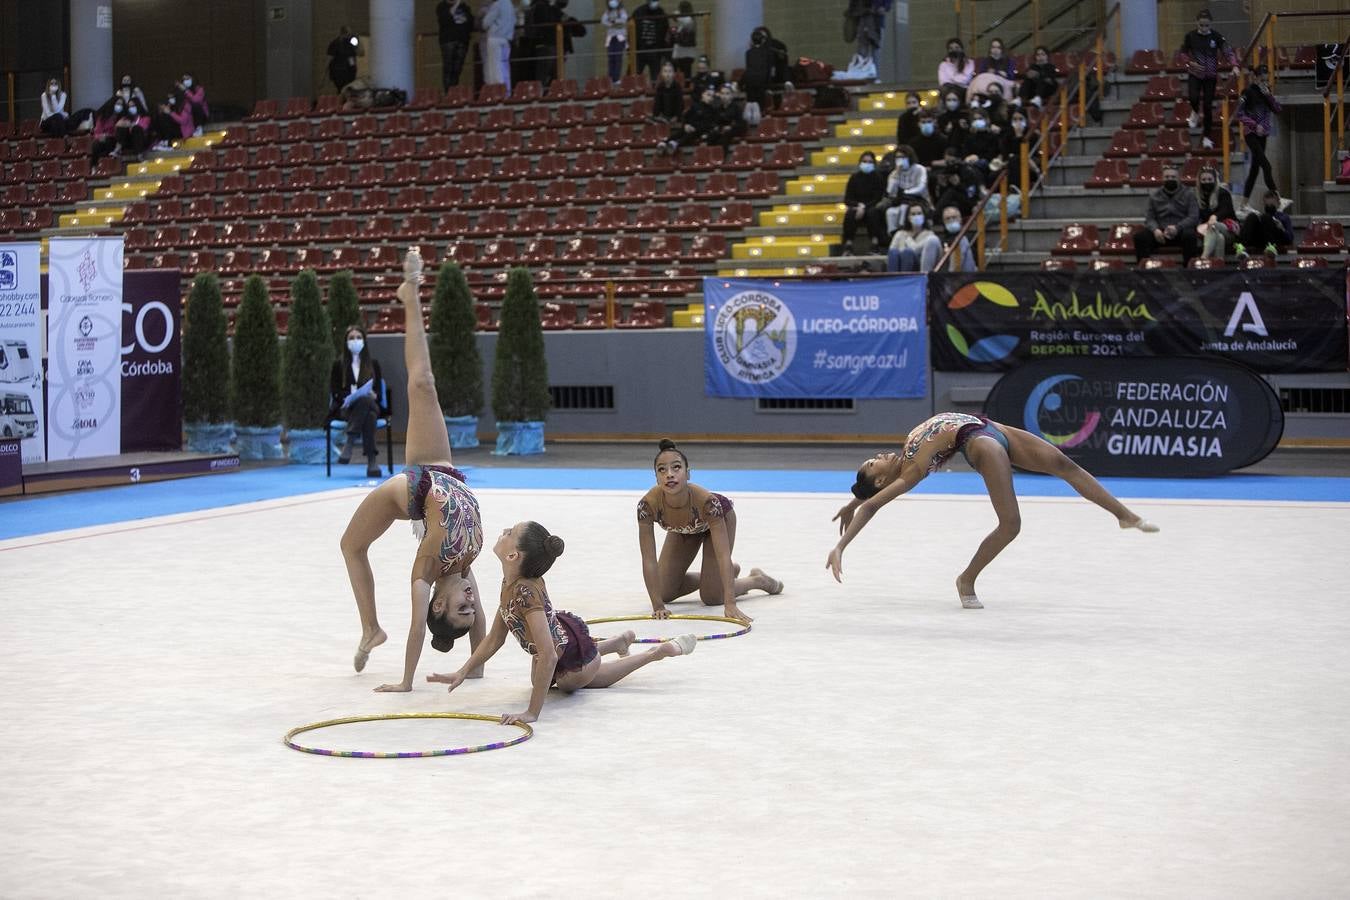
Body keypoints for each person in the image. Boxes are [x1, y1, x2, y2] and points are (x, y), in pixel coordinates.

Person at [338, 248, 488, 691]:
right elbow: (482, 627)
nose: (471, 601)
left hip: (411, 490)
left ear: (437, 604)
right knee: (424, 382)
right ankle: (410, 294)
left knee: (350, 546)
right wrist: (472, 667)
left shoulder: (428, 573)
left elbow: (419, 629)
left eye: (462, 607)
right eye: (472, 606)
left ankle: (371, 628)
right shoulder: (467, 562)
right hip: (444, 471)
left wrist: (406, 684)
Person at [826, 413, 1159, 610]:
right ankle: (966, 579)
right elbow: (874, 504)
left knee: (1063, 464)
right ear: (881, 477)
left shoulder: (903, 454)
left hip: (989, 426)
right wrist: (842, 545)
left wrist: (850, 502)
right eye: (872, 463)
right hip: (981, 443)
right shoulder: (912, 469)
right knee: (1011, 525)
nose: (877, 455)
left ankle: (1123, 515)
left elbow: (869, 496)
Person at [429, 521, 699, 725]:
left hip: (570, 660)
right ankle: (617, 642)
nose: (505, 529)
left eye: (510, 534)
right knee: (538, 680)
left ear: (513, 556)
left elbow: (548, 656)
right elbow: (495, 639)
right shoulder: (510, 583)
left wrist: (532, 712)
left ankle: (655, 652)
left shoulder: (525, 593)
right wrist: (463, 671)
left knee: (571, 683)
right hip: (557, 641)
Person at [637, 440, 782, 624]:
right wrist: (657, 605)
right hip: (684, 528)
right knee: (663, 591)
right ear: (656, 478)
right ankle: (715, 577)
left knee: (712, 596)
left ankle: (756, 580)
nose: (669, 475)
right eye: (662, 470)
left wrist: (730, 603)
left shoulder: (708, 503)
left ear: (688, 473)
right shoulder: (647, 506)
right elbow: (648, 559)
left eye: (676, 468)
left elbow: (723, 556)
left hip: (718, 519)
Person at [330, 325, 387, 478]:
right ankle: (372, 461)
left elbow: (379, 393)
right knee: (369, 415)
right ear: (346, 342)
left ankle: (349, 442)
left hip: (371, 403)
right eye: (351, 338)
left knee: (366, 401)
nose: (355, 341)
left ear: (364, 341)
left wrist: (375, 395)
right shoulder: (338, 365)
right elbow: (335, 390)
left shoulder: (373, 364)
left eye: (358, 337)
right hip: (348, 408)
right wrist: (348, 396)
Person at [1179, 9, 1238, 149]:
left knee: (1207, 106)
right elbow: (1182, 53)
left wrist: (1235, 65)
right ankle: (1194, 111)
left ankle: (1206, 137)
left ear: (1211, 24)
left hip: (1210, 76)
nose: (1204, 28)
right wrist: (1189, 63)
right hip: (1195, 73)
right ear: (1196, 23)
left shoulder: (1216, 36)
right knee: (1193, 98)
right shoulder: (1190, 36)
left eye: (1207, 26)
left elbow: (1227, 51)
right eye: (1201, 25)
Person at [1234, 64, 1284, 214]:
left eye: (1266, 79)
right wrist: (1255, 126)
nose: (1264, 82)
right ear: (1254, 77)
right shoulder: (1247, 92)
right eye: (1261, 79)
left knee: (1255, 170)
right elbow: (1239, 114)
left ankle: (1243, 204)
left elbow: (1278, 110)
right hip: (1251, 134)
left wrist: (1268, 95)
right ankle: (1278, 200)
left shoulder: (1266, 92)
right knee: (1266, 167)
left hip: (1263, 135)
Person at [1133, 163, 1201, 263]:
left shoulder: (1189, 194)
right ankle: (1144, 272)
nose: (1170, 179)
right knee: (1140, 237)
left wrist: (1177, 227)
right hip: (1160, 233)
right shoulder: (1154, 195)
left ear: (1179, 178)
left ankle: (1189, 272)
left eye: (1173, 177)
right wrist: (1155, 230)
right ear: (1162, 178)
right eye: (1167, 177)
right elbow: (1149, 218)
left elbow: (1193, 217)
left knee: (1190, 236)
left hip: (1180, 231)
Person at [838, 151, 887, 254]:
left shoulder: (878, 178)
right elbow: (847, 199)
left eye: (870, 162)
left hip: (871, 206)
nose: (867, 164)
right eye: (864, 161)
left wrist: (864, 208)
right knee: (850, 214)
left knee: (872, 212)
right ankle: (848, 244)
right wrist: (858, 206)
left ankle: (875, 243)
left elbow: (878, 198)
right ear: (860, 163)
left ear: (874, 164)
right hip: (857, 207)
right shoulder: (854, 178)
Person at [878, 144, 928, 235]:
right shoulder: (894, 173)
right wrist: (896, 174)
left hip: (918, 200)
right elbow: (890, 192)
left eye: (903, 157)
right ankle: (893, 235)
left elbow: (921, 188)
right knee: (890, 212)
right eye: (898, 158)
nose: (900, 160)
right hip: (901, 201)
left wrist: (906, 193)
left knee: (904, 208)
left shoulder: (920, 169)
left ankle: (904, 231)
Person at [656, 83, 719, 155]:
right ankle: (664, 142)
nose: (710, 98)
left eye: (712, 96)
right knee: (680, 132)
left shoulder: (713, 110)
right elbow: (686, 116)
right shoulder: (695, 105)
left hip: (698, 130)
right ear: (702, 95)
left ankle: (675, 144)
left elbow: (708, 124)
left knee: (691, 134)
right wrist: (686, 125)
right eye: (708, 95)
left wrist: (695, 128)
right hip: (688, 126)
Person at [1235, 189, 1294, 258]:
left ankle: (1271, 248)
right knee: (1252, 216)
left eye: (1271, 205)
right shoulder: (1261, 216)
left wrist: (1282, 228)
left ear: (1278, 203)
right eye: (1267, 205)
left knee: (1266, 217)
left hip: (1276, 239)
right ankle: (1241, 248)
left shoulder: (1284, 217)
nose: (1269, 207)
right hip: (1261, 239)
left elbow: (1290, 238)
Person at [1195, 165, 1238, 259]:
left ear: (1215, 180)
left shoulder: (1223, 193)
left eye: (1210, 179)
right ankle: (1218, 264)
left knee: (1213, 225)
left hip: (1228, 229)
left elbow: (1226, 210)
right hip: (1207, 231)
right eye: (1204, 180)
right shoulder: (1197, 196)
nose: (1207, 182)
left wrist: (1214, 216)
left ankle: (1204, 257)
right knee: (1219, 238)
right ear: (1199, 181)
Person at [886, 203, 942, 272]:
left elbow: (915, 250)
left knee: (908, 252)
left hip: (918, 267)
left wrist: (908, 240)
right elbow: (891, 252)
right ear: (908, 217)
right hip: (899, 266)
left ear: (924, 216)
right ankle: (892, 280)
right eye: (913, 214)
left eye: (919, 213)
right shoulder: (900, 233)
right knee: (893, 252)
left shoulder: (929, 235)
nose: (916, 216)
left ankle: (905, 280)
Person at [436, 0, 474, 90]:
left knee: (457, 69)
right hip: (448, 41)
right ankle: (447, 92)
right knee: (448, 68)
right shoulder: (442, 6)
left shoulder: (464, 7)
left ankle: (454, 90)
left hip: (462, 41)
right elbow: (445, 19)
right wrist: (456, 4)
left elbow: (470, 22)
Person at [481, 0, 516, 90]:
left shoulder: (497, 5)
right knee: (505, 67)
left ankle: (497, 91)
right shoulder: (510, 5)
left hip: (495, 38)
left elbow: (485, 23)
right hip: (506, 39)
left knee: (495, 67)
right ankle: (507, 91)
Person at [632, 0, 670, 83]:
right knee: (636, 75)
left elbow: (665, 33)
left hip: (655, 50)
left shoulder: (661, 13)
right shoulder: (638, 12)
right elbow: (631, 30)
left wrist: (664, 53)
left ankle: (654, 91)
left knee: (655, 77)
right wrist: (631, 48)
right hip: (640, 50)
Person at [938, 205, 978, 271]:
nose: (951, 220)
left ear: (960, 219)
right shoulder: (941, 240)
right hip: (947, 271)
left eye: (954, 217)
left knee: (962, 240)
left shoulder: (971, 236)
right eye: (948, 219)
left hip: (968, 272)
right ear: (944, 222)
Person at [601, 0, 629, 83]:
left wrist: (613, 21)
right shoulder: (607, 12)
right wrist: (613, 23)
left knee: (618, 57)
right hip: (610, 37)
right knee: (611, 58)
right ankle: (610, 77)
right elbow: (604, 21)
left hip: (620, 37)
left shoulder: (622, 11)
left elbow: (623, 20)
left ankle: (616, 78)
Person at [670, 1, 698, 80]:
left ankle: (686, 86)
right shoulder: (689, 19)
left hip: (686, 52)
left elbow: (675, 16)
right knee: (681, 72)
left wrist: (678, 13)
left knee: (686, 73)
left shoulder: (689, 20)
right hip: (682, 52)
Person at [327, 26, 360, 92]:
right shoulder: (335, 43)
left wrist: (357, 41)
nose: (350, 36)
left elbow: (361, 52)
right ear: (344, 33)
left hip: (349, 71)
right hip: (339, 72)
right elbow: (329, 59)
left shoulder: (351, 43)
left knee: (348, 90)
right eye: (349, 34)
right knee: (341, 89)